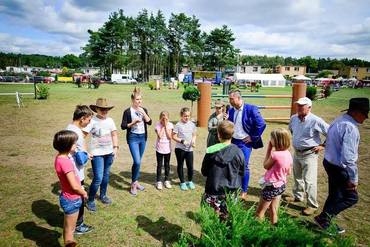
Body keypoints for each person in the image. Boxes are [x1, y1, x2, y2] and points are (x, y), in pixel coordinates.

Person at [314, 98, 369, 234]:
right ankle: (323, 218)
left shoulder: (339, 120)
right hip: (339, 167)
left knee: (335, 195)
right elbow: (348, 158)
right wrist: (353, 178)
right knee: (351, 198)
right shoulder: (350, 127)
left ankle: (325, 221)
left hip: (329, 162)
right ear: (356, 112)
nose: (366, 118)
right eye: (365, 114)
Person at [286, 97, 329, 216]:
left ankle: (312, 205)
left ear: (309, 107)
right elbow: (292, 131)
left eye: (302, 106)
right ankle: (298, 196)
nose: (299, 107)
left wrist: (322, 145)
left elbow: (331, 132)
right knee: (297, 177)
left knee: (309, 181)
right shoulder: (293, 118)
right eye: (298, 105)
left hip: (310, 154)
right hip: (297, 152)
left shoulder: (316, 120)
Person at [201, 120, 245, 221]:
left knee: (209, 221)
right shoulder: (239, 152)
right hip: (231, 194)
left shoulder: (211, 151)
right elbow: (242, 172)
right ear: (232, 134)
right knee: (227, 222)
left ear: (219, 135)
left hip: (213, 192)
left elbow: (204, 171)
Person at [227, 89, 266, 199]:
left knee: (244, 166)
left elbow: (261, 124)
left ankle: (244, 190)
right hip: (233, 141)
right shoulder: (231, 110)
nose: (229, 101)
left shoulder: (251, 109)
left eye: (231, 99)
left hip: (244, 143)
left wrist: (252, 137)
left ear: (238, 98)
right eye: (229, 99)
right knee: (233, 164)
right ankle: (234, 185)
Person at [53, 130, 88, 247]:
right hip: (72, 199)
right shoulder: (66, 162)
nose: (76, 145)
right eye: (74, 143)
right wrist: (83, 192)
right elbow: (74, 186)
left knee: (68, 227)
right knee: (70, 232)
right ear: (67, 145)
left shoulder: (59, 158)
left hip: (67, 197)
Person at [84, 98, 118, 211]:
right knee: (98, 177)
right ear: (96, 109)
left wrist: (115, 148)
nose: (104, 111)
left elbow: (114, 135)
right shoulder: (92, 121)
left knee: (106, 176)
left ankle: (103, 195)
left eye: (106, 109)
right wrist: (86, 151)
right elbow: (82, 136)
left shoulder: (110, 120)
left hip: (109, 153)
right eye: (102, 109)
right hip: (97, 154)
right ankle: (90, 200)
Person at [65, 105, 93, 234]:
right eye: (88, 119)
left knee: (75, 199)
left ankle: (74, 223)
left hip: (71, 171)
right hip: (76, 172)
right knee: (79, 199)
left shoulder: (69, 128)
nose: (89, 122)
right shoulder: (77, 133)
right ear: (82, 118)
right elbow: (80, 157)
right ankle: (78, 225)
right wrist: (87, 155)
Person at [255, 128, 293, 225]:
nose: (270, 139)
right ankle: (274, 228)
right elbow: (288, 172)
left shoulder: (275, 155)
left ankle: (259, 235)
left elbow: (265, 166)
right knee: (273, 210)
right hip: (281, 185)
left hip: (271, 186)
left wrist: (269, 149)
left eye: (271, 138)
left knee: (259, 213)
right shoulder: (288, 153)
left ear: (276, 140)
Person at [121, 87, 152, 196]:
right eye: (137, 99)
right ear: (132, 100)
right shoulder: (127, 111)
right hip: (133, 138)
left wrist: (143, 112)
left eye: (140, 99)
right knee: (137, 161)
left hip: (142, 138)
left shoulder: (144, 110)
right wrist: (132, 123)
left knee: (137, 162)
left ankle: (135, 181)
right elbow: (123, 126)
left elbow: (149, 122)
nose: (139, 101)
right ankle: (134, 184)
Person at [172, 107, 197, 191]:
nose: (187, 118)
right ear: (181, 116)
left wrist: (193, 141)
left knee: (190, 166)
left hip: (189, 149)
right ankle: (182, 182)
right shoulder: (178, 125)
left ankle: (190, 181)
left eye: (188, 116)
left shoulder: (192, 124)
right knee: (180, 165)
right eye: (185, 116)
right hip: (180, 149)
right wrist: (182, 141)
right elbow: (173, 136)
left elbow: (194, 134)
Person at [154, 111, 174, 190]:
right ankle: (158, 181)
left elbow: (169, 137)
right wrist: (162, 126)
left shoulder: (170, 125)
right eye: (162, 118)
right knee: (159, 165)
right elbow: (159, 136)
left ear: (168, 118)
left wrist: (166, 126)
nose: (164, 120)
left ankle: (167, 180)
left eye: (166, 118)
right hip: (159, 148)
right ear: (160, 118)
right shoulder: (158, 125)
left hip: (167, 149)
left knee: (167, 165)